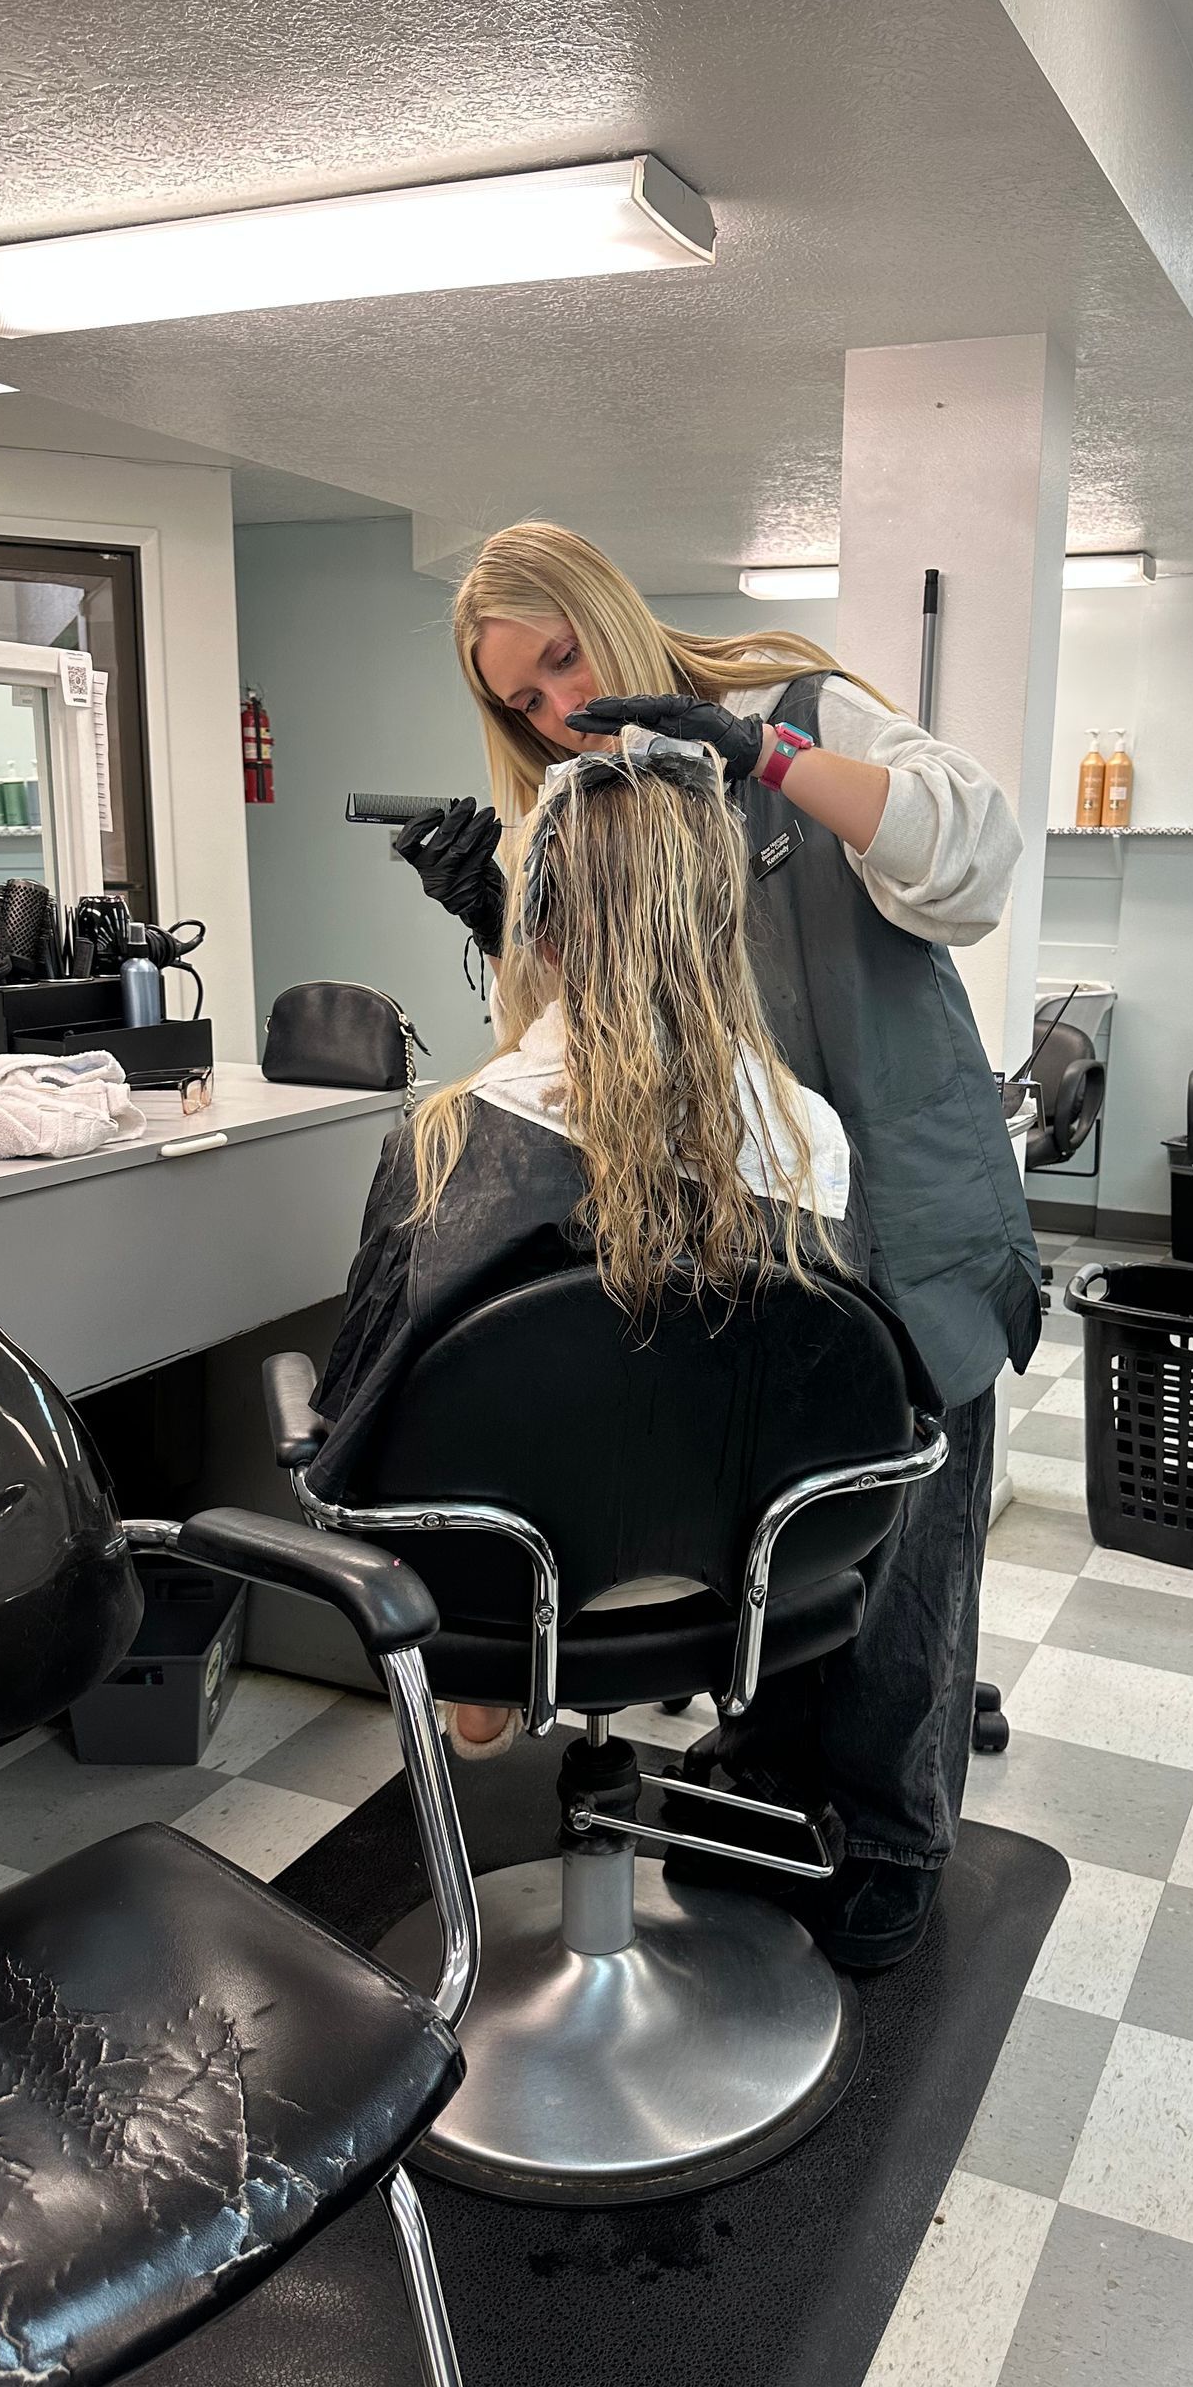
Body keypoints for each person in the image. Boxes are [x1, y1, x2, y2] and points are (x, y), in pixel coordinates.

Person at [411, 520, 1040, 1970]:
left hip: (902, 1206)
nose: (561, 705)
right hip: (748, 1240)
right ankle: (767, 1782)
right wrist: (510, 919)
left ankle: (890, 1834)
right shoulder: (582, 801)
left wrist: (763, 762)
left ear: (611, 608)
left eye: (566, 658)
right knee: (772, 1532)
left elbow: (971, 864)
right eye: (524, 697)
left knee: (909, 1561)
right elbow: (590, 1038)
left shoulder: (804, 711)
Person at [314, 733, 863, 1756]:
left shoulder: (449, 1139)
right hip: (744, 1563)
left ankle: (487, 1692)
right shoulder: (808, 1138)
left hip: (507, 1572)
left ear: (544, 932)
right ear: (723, 920)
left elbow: (368, 1415)